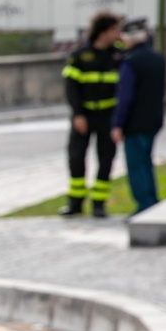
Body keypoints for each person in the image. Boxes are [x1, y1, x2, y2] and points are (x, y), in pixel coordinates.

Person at [59, 11, 124, 217]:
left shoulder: (119, 56)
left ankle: (98, 204)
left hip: (108, 116)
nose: (117, 34)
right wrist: (77, 114)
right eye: (115, 29)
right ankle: (75, 203)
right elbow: (71, 88)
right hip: (84, 115)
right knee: (76, 158)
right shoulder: (80, 56)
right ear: (103, 31)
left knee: (106, 159)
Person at [111, 17, 166, 215]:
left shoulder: (131, 62)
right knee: (147, 163)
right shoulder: (157, 59)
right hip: (154, 120)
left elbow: (124, 97)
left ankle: (144, 205)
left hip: (135, 122)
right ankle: (152, 202)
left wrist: (117, 124)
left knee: (137, 165)